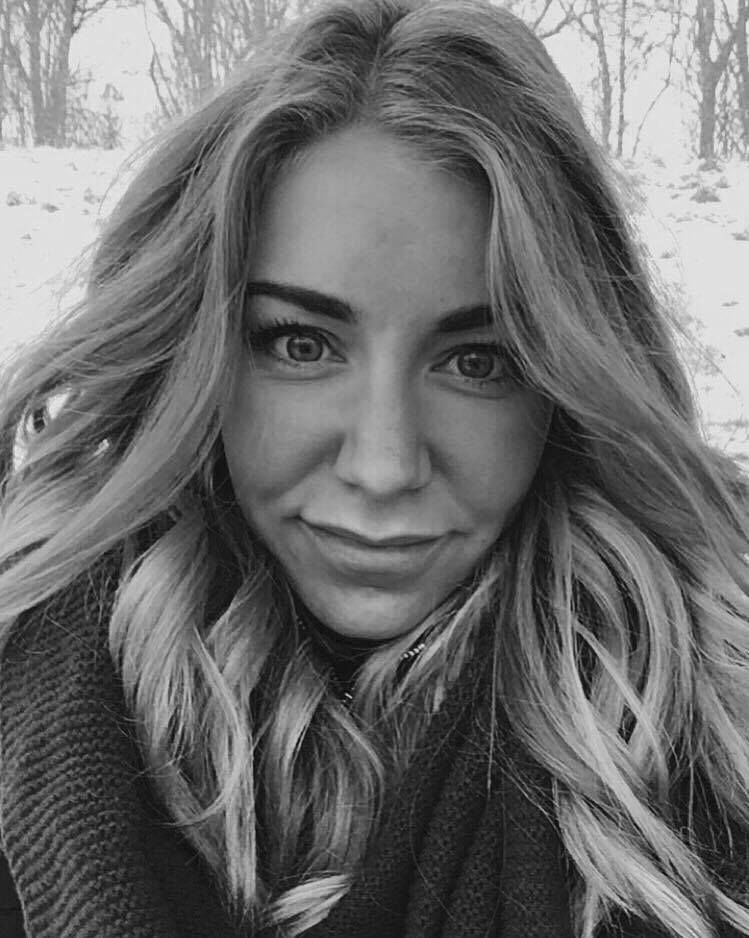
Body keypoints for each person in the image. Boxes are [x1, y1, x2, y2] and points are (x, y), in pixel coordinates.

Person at [1, 0, 748, 935]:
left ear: (568, 382)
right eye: (301, 344)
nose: (385, 467)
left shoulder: (709, 729)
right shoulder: (36, 696)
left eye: (478, 361)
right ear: (190, 352)